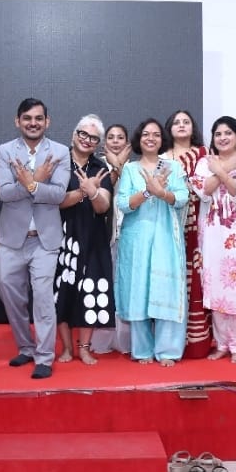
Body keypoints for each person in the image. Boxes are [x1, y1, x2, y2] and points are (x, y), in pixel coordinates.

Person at [0, 98, 70, 379]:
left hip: (45, 240)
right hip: (11, 238)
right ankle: (26, 347)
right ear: (18, 121)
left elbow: (58, 194)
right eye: (27, 118)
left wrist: (31, 184)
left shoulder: (60, 152)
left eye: (39, 118)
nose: (33, 123)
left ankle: (45, 356)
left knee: (43, 297)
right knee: (8, 292)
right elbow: (3, 192)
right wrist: (35, 183)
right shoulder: (4, 151)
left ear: (47, 122)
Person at [115, 118, 188, 366]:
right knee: (138, 289)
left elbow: (182, 197)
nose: (151, 138)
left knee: (166, 289)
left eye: (156, 134)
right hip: (137, 237)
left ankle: (168, 351)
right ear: (139, 138)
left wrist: (162, 193)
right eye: (146, 134)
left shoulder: (173, 167)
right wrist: (147, 192)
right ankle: (142, 349)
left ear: (162, 139)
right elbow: (123, 203)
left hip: (166, 236)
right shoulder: (130, 169)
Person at [189, 116, 236, 363]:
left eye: (228, 133)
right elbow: (203, 189)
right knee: (216, 289)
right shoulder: (204, 163)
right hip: (212, 236)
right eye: (218, 134)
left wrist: (220, 172)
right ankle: (221, 344)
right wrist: (225, 169)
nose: (222, 138)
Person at [54, 114, 115, 365]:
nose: (87, 140)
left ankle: (85, 348)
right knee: (62, 291)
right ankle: (67, 348)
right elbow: (54, 201)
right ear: (74, 134)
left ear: (98, 143)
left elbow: (103, 206)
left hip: (93, 237)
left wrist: (93, 193)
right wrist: (82, 192)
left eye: (93, 138)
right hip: (62, 236)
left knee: (92, 289)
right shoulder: (58, 161)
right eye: (83, 134)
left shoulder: (101, 168)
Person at [164, 109, 212, 358]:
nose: (182, 125)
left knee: (197, 277)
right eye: (177, 122)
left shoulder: (204, 154)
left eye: (186, 121)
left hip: (199, 222)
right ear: (169, 128)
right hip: (169, 223)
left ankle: (197, 341)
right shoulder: (162, 158)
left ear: (193, 127)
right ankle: (169, 340)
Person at [90, 123, 132, 356]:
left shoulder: (135, 167)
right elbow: (107, 187)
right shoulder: (97, 166)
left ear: (127, 143)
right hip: (104, 234)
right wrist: (116, 165)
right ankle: (104, 338)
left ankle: (126, 338)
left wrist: (122, 165)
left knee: (125, 287)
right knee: (105, 285)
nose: (116, 141)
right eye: (111, 137)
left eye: (120, 137)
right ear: (105, 142)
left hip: (129, 233)